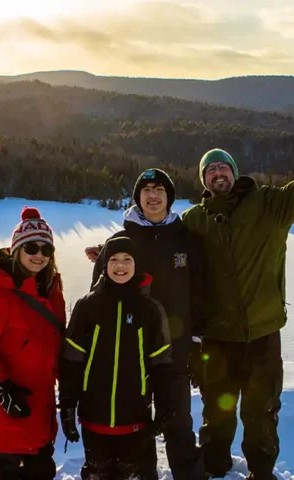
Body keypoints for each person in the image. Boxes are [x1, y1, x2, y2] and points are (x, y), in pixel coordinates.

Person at [85, 168, 206, 480]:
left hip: (175, 353)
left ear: (169, 197)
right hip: (130, 357)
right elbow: (98, 301)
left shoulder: (187, 241)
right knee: (138, 429)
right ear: (138, 198)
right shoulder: (120, 242)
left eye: (160, 190)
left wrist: (197, 342)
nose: (153, 196)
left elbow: (201, 295)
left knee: (179, 423)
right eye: (147, 189)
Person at [182, 148, 290, 480]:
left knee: (261, 412)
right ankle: (215, 467)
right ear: (203, 180)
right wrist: (115, 251)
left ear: (234, 172)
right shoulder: (193, 221)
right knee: (217, 411)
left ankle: (261, 471)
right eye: (210, 169)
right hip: (217, 338)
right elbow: (155, 246)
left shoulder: (269, 204)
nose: (217, 173)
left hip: (262, 333)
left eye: (223, 167)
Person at [59, 236, 177, 480]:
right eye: (113, 259)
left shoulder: (150, 309)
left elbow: (162, 364)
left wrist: (165, 407)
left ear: (137, 264)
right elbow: (72, 360)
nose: (120, 265)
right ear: (104, 264)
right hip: (94, 419)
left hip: (136, 421)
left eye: (127, 260)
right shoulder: (87, 306)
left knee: (137, 474)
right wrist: (68, 405)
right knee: (97, 474)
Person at [0, 206, 66, 480]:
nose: (39, 256)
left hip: (40, 408)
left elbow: (57, 343)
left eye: (46, 250)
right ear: (17, 249)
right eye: (31, 248)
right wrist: (2, 387)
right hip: (6, 413)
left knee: (42, 472)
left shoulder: (52, 291)